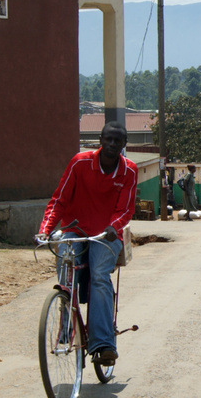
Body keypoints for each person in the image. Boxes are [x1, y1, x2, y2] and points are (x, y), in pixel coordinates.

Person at [36, 121, 137, 366]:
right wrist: (45, 231)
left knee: (100, 276)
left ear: (124, 145)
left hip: (106, 236)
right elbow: (59, 199)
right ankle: (65, 328)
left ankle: (103, 344)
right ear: (100, 140)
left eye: (117, 141)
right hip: (75, 231)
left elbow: (125, 209)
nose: (112, 144)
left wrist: (113, 227)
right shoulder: (79, 163)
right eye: (108, 139)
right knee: (65, 272)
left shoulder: (129, 171)